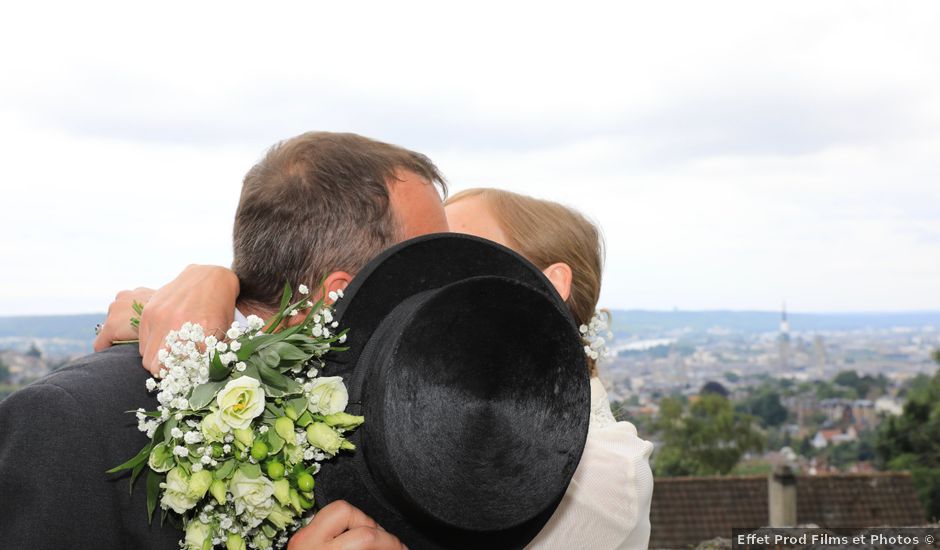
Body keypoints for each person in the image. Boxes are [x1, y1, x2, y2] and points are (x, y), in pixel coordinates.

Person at [98, 187, 655, 548]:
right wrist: (211, 289)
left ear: (551, 287)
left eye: (468, 257)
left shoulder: (602, 472)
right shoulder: (432, 416)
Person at [0, 131, 445, 550]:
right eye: (427, 268)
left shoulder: (412, 434)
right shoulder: (71, 423)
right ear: (337, 296)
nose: (446, 298)